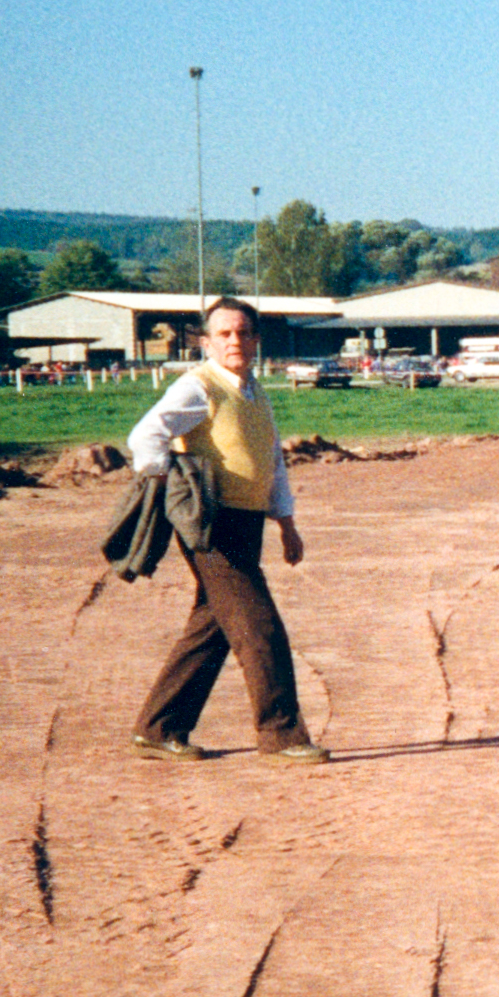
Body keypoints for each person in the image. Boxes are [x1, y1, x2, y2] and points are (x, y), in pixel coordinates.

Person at [124, 297, 328, 764]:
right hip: (211, 523)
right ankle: (282, 736)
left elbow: (271, 462)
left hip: (248, 521)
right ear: (206, 341)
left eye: (243, 333)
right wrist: (163, 484)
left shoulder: (255, 392)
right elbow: (146, 435)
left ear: (256, 339)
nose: (235, 341)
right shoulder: (198, 387)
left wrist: (287, 525)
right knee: (259, 628)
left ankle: (159, 727)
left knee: (212, 628)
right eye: (224, 334)